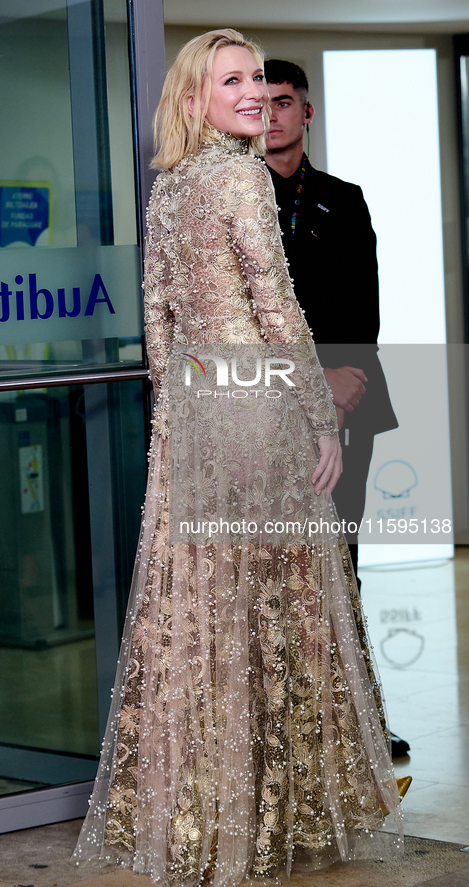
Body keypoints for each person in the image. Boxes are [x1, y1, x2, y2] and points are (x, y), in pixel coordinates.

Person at [74, 30, 403, 887]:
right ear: (194, 100)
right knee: (277, 608)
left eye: (259, 77)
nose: (255, 92)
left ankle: (202, 814)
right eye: (235, 80)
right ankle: (270, 813)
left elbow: (160, 327)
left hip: (197, 416)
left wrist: (172, 423)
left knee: (200, 614)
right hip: (258, 412)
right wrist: (317, 420)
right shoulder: (240, 177)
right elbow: (278, 306)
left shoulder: (169, 188)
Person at [262, 59, 409, 759]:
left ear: (306, 113)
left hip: (350, 403)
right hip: (262, 406)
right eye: (258, 103)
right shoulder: (233, 200)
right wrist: (314, 378)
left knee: (341, 560)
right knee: (275, 567)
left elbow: (362, 304)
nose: (270, 116)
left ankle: (358, 722)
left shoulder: (342, 199)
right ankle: (285, 725)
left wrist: (342, 381)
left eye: (283, 102)